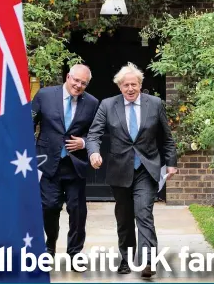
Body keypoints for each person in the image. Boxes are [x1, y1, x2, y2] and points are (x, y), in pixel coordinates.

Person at [86, 62, 178, 279]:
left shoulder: (154, 104)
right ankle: (127, 259)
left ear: (140, 84)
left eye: (134, 84)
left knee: (143, 212)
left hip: (147, 168)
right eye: (126, 85)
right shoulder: (108, 105)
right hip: (120, 170)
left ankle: (148, 261)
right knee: (124, 216)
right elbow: (94, 134)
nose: (130, 89)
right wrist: (93, 153)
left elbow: (166, 138)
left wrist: (171, 162)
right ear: (119, 86)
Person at [32, 64, 99, 264]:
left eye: (83, 83)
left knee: (77, 211)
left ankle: (75, 253)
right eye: (76, 80)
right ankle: (50, 245)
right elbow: (28, 123)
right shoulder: (44, 95)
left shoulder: (92, 103)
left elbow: (96, 132)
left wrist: (84, 142)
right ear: (68, 76)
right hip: (47, 163)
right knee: (49, 207)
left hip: (75, 165)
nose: (78, 85)